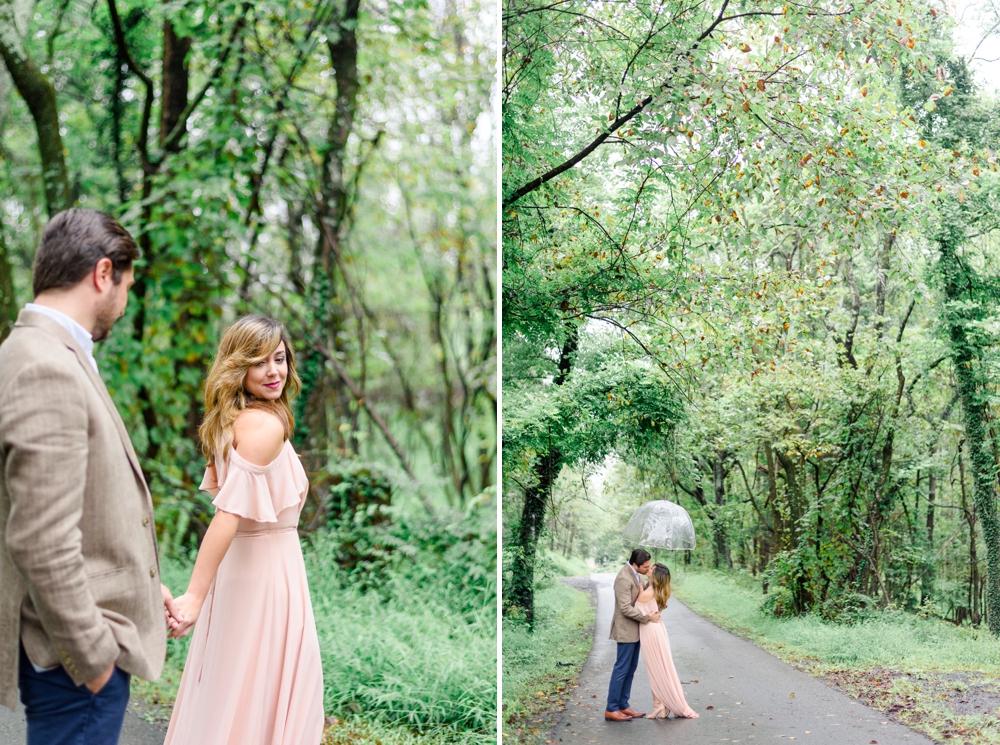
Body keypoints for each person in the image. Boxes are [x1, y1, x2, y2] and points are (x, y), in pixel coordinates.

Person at [0, 208, 178, 744]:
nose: (123, 305)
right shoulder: (45, 365)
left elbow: (81, 504)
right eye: (125, 285)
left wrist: (141, 587)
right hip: (72, 667)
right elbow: (39, 537)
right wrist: (93, 658)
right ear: (104, 274)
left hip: (75, 653)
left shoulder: (38, 351)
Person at [164, 315, 324, 745]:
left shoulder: (237, 419)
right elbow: (227, 516)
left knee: (236, 693)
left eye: (279, 358)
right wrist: (193, 597)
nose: (274, 371)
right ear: (238, 368)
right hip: (265, 579)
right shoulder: (265, 427)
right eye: (259, 362)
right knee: (260, 698)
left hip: (249, 573)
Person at [635, 563, 698, 719]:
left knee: (655, 668)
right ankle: (659, 704)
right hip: (656, 630)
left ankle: (660, 704)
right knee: (656, 667)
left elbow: (634, 607)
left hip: (650, 631)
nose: (648, 569)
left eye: (651, 568)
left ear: (656, 576)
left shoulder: (648, 592)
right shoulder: (658, 590)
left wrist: (640, 587)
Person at [605, 548, 661, 722]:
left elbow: (640, 597)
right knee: (621, 669)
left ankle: (623, 705)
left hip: (636, 630)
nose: (648, 568)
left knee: (631, 669)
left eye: (649, 565)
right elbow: (625, 608)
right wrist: (647, 618)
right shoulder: (623, 578)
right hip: (625, 630)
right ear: (635, 564)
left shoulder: (639, 574)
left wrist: (650, 584)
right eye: (645, 566)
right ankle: (611, 708)